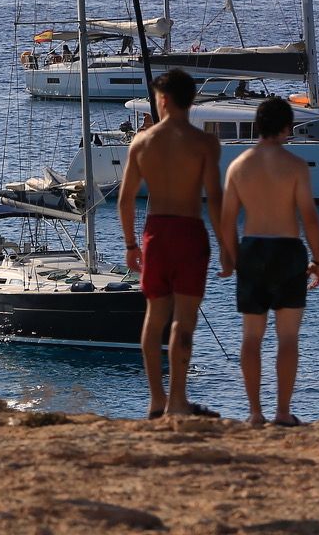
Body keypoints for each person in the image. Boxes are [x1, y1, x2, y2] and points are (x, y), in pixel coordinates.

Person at [119, 68, 225, 419]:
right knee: (185, 320)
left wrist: (131, 245)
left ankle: (155, 401)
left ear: (162, 100)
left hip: (155, 233)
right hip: (190, 231)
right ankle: (178, 400)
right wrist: (227, 246)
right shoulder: (205, 143)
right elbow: (216, 199)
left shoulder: (142, 142)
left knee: (155, 316)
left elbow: (125, 199)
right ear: (191, 100)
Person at [216, 95, 319, 427]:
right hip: (288, 250)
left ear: (258, 126)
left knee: (251, 336)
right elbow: (310, 218)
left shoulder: (238, 166)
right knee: (288, 338)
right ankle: (282, 411)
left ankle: (255, 413)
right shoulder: (295, 166)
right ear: (286, 127)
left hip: (253, 250)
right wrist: (318, 260)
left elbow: (227, 220)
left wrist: (231, 259)